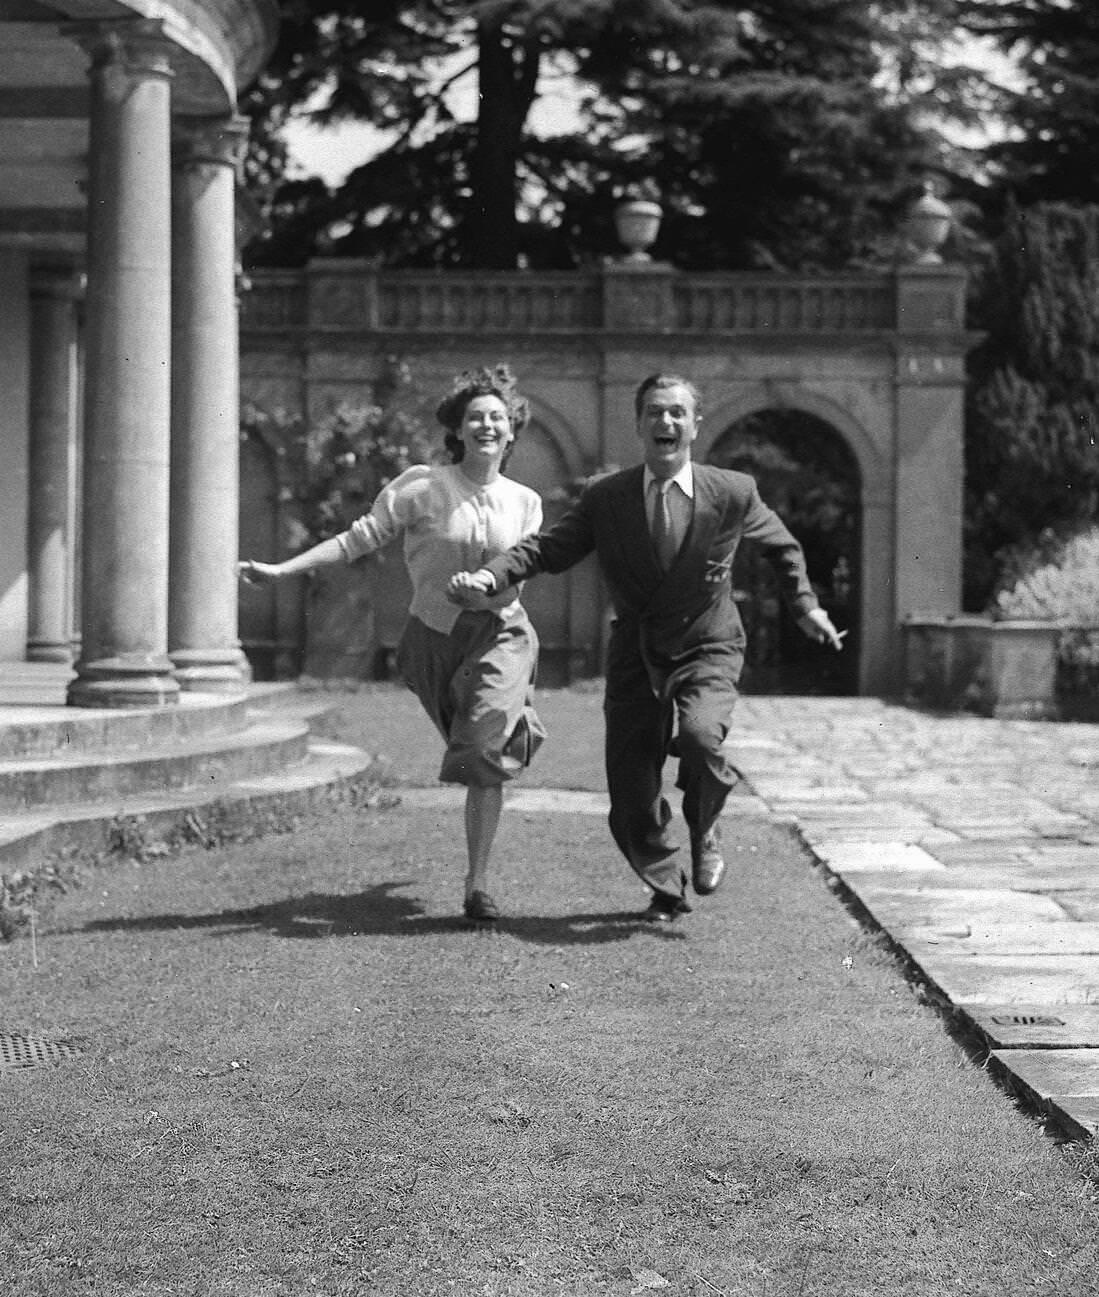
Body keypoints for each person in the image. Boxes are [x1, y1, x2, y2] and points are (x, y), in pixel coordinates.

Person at [448, 372, 842, 924]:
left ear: (695, 426)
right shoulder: (608, 498)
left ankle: (705, 826)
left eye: (677, 413)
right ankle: (666, 887)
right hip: (636, 652)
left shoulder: (731, 491)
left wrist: (806, 606)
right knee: (631, 799)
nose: (666, 422)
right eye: (655, 413)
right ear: (638, 424)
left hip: (707, 645)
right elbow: (548, 548)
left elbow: (783, 547)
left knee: (703, 738)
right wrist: (491, 577)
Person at [240, 365, 546, 925]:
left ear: (511, 431)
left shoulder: (525, 501)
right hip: (431, 640)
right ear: (457, 428)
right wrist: (283, 569)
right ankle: (511, 725)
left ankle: (478, 884)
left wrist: (482, 589)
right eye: (476, 416)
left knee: (481, 756)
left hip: (501, 632)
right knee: (477, 744)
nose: (487, 425)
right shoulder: (422, 486)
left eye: (498, 418)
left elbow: (518, 574)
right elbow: (357, 539)